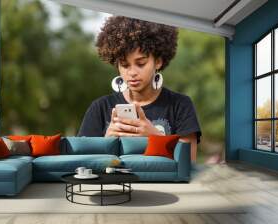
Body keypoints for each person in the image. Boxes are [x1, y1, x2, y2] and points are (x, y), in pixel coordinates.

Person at [77, 16, 202, 162]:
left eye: (141, 63)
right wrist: (106, 141)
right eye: (124, 65)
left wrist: (154, 136)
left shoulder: (180, 105)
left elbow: (189, 161)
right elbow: (82, 163)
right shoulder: (99, 108)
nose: (132, 73)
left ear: (159, 61)